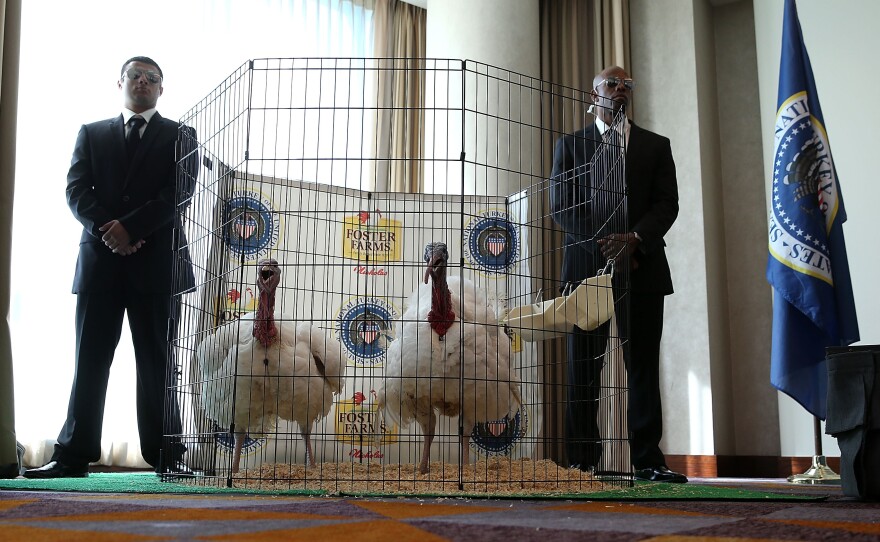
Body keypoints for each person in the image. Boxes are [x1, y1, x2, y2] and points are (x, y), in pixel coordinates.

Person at [24, 56, 197, 478]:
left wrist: (131, 228)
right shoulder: (91, 132)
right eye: (136, 75)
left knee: (158, 361)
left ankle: (168, 458)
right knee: (89, 359)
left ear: (162, 89)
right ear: (119, 81)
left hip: (157, 266)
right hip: (100, 265)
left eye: (152, 77)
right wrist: (111, 231)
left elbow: (179, 192)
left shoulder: (181, 134)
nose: (144, 81)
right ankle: (72, 456)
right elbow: (76, 190)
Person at [549, 65, 686, 483]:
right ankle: (582, 463)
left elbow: (667, 204)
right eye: (612, 84)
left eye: (627, 84)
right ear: (594, 95)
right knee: (583, 367)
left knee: (642, 367)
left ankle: (648, 460)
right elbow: (562, 205)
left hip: (642, 269)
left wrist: (634, 239)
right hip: (588, 270)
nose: (621, 89)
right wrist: (608, 243)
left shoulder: (655, 146)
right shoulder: (572, 145)